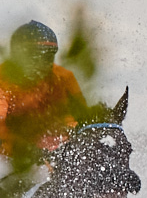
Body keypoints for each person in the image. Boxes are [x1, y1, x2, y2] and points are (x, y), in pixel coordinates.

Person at [0, 21, 87, 158]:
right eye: (35, 56)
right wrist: (25, 147)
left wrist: (66, 133)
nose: (42, 63)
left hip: (55, 152)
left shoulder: (64, 77)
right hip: (9, 156)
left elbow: (79, 118)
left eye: (48, 57)